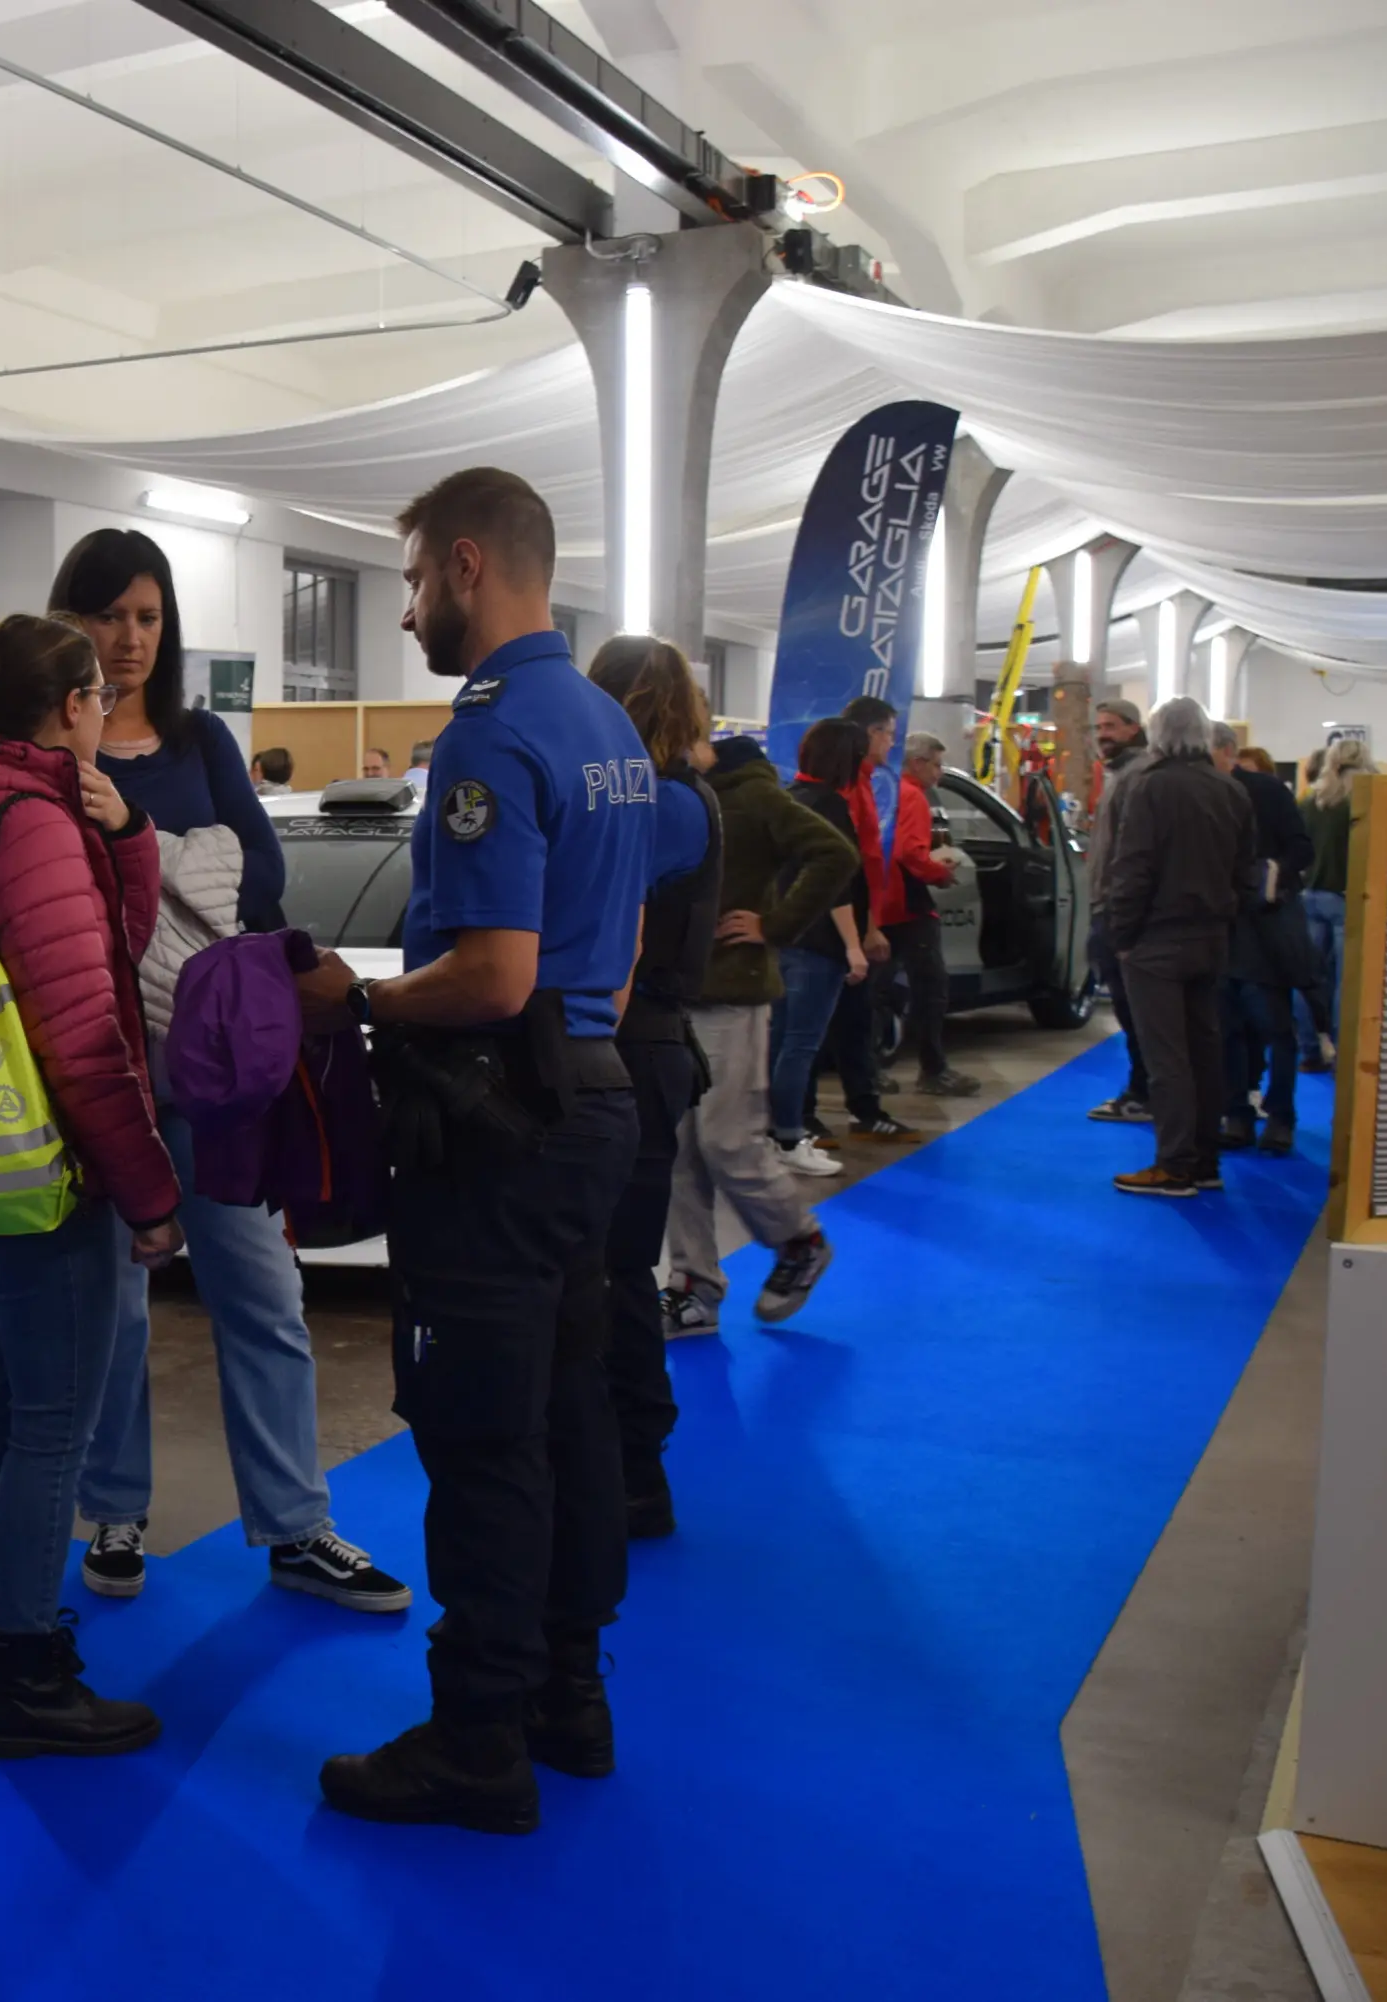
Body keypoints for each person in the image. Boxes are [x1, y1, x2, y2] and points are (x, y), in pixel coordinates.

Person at [296, 467, 653, 1837]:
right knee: (567, 1408)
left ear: (461, 565)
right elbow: (601, 967)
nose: (402, 615)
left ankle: (475, 1738)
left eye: (403, 584)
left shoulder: (493, 737)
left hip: (503, 1125)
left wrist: (365, 998)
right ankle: (569, 1692)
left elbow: (496, 974)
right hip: (591, 1097)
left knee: (481, 1430)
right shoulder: (609, 721)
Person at [52, 528, 406, 1616]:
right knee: (109, 1300)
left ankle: (297, 1524)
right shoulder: (45, 742)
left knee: (260, 1287)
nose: (128, 638)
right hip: (93, 1053)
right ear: (71, 620)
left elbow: (262, 867)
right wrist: (153, 842)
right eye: (109, 615)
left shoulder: (199, 738)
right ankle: (113, 1507)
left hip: (209, 1052)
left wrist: (138, 834)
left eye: (148, 616)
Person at [0, 612, 183, 1760]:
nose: (110, 716)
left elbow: (108, 944)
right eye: (102, 698)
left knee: (9, 1402)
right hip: (45, 1166)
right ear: (70, 708)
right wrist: (148, 1188)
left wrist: (130, 836)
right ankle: (29, 1667)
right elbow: (87, 1033)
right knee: (54, 1423)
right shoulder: (39, 825)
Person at [581, 638, 721, 1545]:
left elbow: (598, 901)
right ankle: (624, 1466)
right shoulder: (678, 798)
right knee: (607, 1272)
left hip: (635, 1052)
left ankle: (635, 1473)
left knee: (614, 1275)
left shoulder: (665, 804)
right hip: (643, 1051)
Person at [662, 735, 858, 1342]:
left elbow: (833, 853)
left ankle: (799, 1240)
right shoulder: (682, 793)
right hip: (674, 993)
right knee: (678, 1151)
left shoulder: (751, 794)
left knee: (725, 1140)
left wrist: (775, 925)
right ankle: (693, 1286)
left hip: (731, 991)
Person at [1107, 698, 1257, 1199]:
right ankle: (1204, 1160)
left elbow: (1134, 868)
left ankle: (1173, 1165)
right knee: (1204, 1052)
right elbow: (1246, 871)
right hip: (1212, 938)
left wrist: (1121, 936)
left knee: (1166, 1058)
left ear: (1156, 735)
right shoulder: (1230, 790)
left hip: (1157, 939)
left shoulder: (1152, 787)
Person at [770, 720, 875, 1178]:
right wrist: (855, 945)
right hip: (817, 946)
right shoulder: (831, 807)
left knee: (778, 1044)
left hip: (782, 942)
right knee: (799, 1046)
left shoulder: (787, 800)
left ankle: (772, 1132)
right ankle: (788, 1136)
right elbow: (837, 887)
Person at [1215, 722, 1315, 1157]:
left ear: (1226, 751)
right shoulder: (1202, 794)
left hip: (1264, 927)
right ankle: (1237, 1112)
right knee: (1228, 1029)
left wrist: (1270, 875)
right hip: (1220, 928)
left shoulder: (1267, 791)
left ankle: (1280, 1116)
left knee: (1274, 1028)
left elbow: (1301, 849)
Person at [820, 696, 913, 1141]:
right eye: (889, 734)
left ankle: (863, 1107)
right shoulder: (839, 790)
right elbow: (846, 867)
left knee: (854, 1023)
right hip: (834, 927)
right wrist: (863, 931)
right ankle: (795, 1121)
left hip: (854, 920)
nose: (891, 744)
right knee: (810, 1030)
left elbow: (869, 861)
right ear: (869, 733)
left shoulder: (865, 783)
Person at [891, 734, 977, 1097]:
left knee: (875, 991)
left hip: (882, 902)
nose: (940, 774)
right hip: (908, 904)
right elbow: (910, 853)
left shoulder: (884, 791)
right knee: (930, 988)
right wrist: (939, 872)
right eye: (937, 765)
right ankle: (933, 1069)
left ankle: (866, 1071)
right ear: (917, 763)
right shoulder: (912, 796)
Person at [1085, 697, 1156, 1123]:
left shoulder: (1137, 776)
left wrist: (1118, 913)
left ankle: (1143, 1094)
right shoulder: (1118, 775)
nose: (1103, 734)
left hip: (1121, 910)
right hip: (1111, 905)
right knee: (1131, 1012)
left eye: (1111, 726)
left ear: (1134, 728)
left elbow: (1133, 852)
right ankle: (1142, 1089)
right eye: (1099, 727)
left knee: (1136, 1012)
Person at [1300, 736, 1366, 1068]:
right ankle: (1343, 1052)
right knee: (1345, 981)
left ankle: (1309, 1048)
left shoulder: (1311, 802)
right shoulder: (1363, 804)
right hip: (1346, 899)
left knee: (1308, 978)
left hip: (1308, 895)